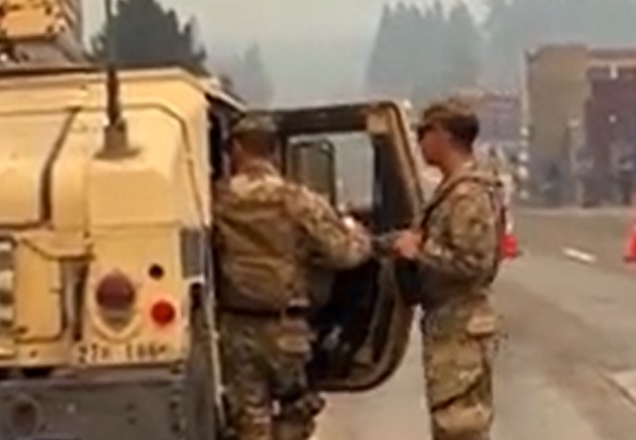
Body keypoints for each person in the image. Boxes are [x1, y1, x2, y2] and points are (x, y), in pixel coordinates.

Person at [213, 114, 373, 440]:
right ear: (275, 153)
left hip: (236, 328)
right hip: (288, 329)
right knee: (294, 411)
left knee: (248, 421)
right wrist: (359, 233)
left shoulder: (217, 201)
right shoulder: (298, 200)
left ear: (237, 150)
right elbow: (345, 255)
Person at [383, 98, 504, 440]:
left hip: (460, 326)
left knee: (460, 428)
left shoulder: (467, 193)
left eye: (423, 132)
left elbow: (472, 262)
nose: (420, 142)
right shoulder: (455, 190)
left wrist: (418, 252)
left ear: (442, 135)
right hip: (452, 324)